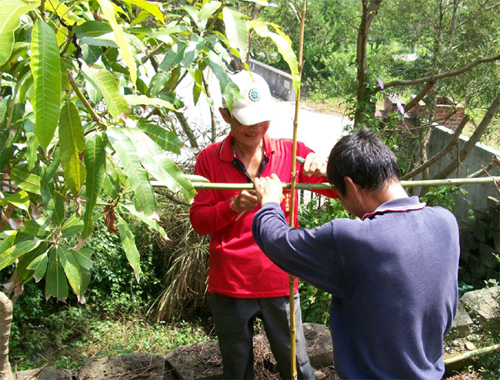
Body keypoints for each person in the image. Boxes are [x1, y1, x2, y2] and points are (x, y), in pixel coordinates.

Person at [252, 129, 460, 379]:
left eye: (339, 193)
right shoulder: (446, 223)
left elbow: (277, 241)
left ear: (350, 185)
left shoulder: (352, 241)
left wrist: (270, 203)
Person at [189, 70, 337, 379]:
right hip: (230, 282)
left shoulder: (292, 153)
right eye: (246, 119)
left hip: (279, 279)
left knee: (297, 367)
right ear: (225, 115)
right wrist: (232, 207)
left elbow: (340, 192)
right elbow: (199, 222)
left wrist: (325, 169)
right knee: (237, 369)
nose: (257, 127)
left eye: (263, 119)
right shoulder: (208, 160)